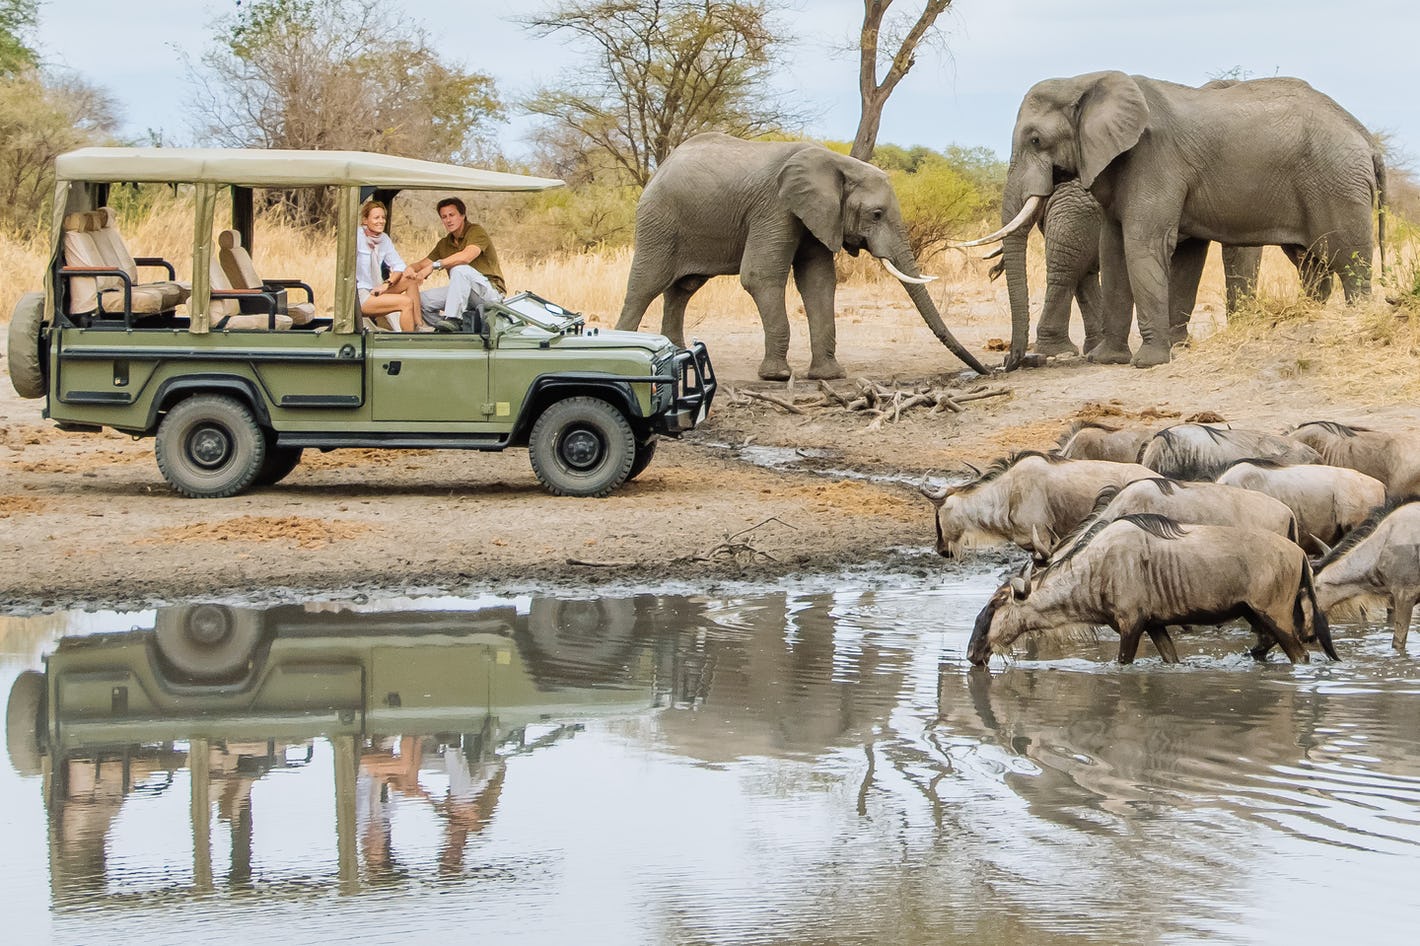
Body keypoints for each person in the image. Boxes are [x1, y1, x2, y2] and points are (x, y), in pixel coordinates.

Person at [407, 197, 505, 330]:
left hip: (488, 293)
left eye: (452, 215)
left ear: (463, 215)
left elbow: (466, 257)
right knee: (421, 300)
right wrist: (410, 268)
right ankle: (452, 330)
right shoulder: (444, 243)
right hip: (462, 293)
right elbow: (422, 265)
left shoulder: (476, 231)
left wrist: (435, 266)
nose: (448, 220)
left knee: (459, 269)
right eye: (444, 217)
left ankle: (453, 319)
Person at [356, 200, 422, 331]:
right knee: (406, 302)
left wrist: (387, 283)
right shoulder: (356, 236)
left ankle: (419, 325)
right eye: (376, 218)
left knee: (410, 280)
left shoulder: (384, 239)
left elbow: (399, 267)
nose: (381, 221)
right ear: (365, 220)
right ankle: (409, 342)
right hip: (361, 294)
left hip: (377, 288)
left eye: (383, 218)